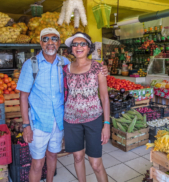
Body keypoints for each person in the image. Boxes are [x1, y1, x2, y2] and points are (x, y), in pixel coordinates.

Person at [16, 28, 108, 182]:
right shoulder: (31, 64)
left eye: (54, 39)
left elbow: (98, 89)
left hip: (59, 121)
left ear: (59, 43)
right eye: (46, 39)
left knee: (53, 156)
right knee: (38, 164)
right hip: (40, 121)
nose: (50, 43)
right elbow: (23, 96)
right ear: (40, 42)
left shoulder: (64, 63)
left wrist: (103, 69)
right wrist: (26, 125)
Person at [63, 32, 110, 182]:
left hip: (94, 119)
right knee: (77, 157)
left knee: (96, 164)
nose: (78, 47)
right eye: (75, 44)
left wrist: (106, 124)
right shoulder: (66, 68)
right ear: (71, 49)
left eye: (82, 43)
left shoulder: (98, 67)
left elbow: (104, 98)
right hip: (71, 120)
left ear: (88, 47)